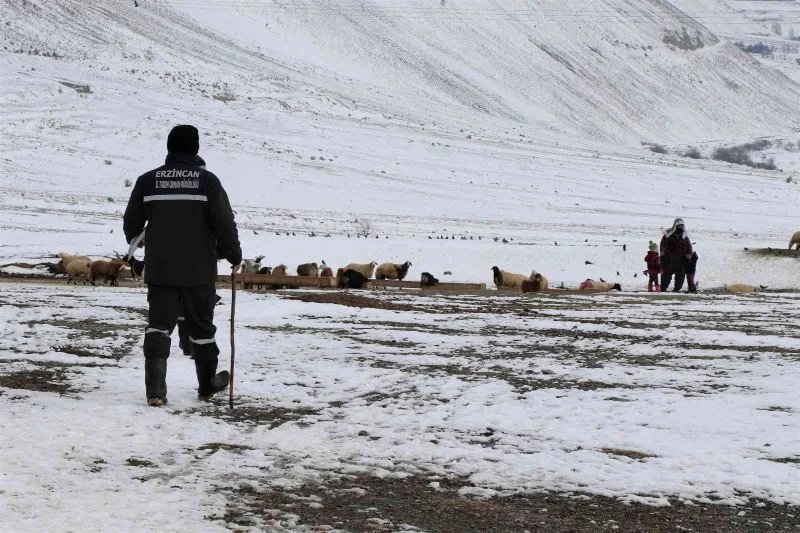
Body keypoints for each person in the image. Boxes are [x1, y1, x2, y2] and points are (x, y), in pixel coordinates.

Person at [123, 125, 241, 406]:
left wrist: (140, 242)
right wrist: (233, 253)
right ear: (196, 148)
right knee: (201, 330)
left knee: (158, 327)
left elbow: (131, 224)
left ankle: (155, 393)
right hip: (198, 271)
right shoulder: (207, 181)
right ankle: (206, 386)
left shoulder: (147, 181)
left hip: (161, 270)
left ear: (169, 147)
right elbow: (223, 222)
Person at [659, 217, 692, 292]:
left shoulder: (684, 236)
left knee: (680, 275)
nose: (680, 227)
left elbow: (688, 246)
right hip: (669, 257)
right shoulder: (668, 234)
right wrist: (662, 251)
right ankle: (663, 289)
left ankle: (677, 289)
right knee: (666, 275)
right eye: (678, 225)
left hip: (680, 259)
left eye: (681, 225)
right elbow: (662, 243)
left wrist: (689, 254)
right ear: (675, 226)